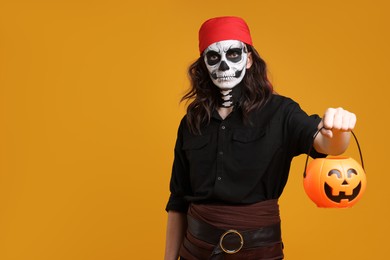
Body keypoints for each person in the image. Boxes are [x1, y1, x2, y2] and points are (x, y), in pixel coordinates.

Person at [164, 16, 356, 260]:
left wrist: (339, 130)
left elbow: (325, 143)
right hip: (196, 251)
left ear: (249, 60)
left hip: (260, 252)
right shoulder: (192, 122)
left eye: (233, 54)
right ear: (204, 65)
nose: (223, 66)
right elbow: (178, 200)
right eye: (213, 57)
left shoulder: (280, 112)